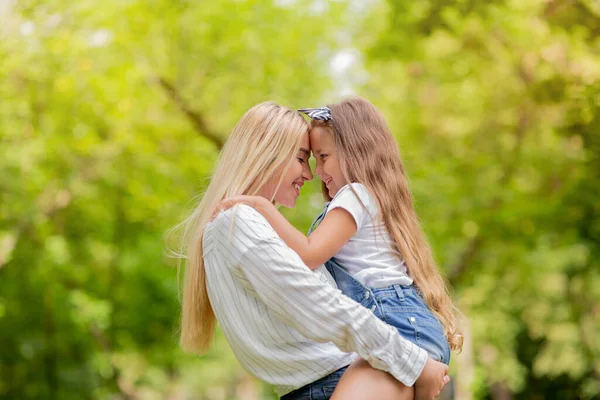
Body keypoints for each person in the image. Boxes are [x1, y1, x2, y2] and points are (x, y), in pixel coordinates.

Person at [175, 101, 449, 400]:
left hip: (369, 367)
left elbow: (316, 298)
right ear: (267, 154)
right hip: (353, 373)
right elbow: (316, 303)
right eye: (303, 158)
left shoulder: (242, 224)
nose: (311, 174)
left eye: (319, 158)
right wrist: (415, 364)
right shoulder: (237, 222)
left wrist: (414, 363)